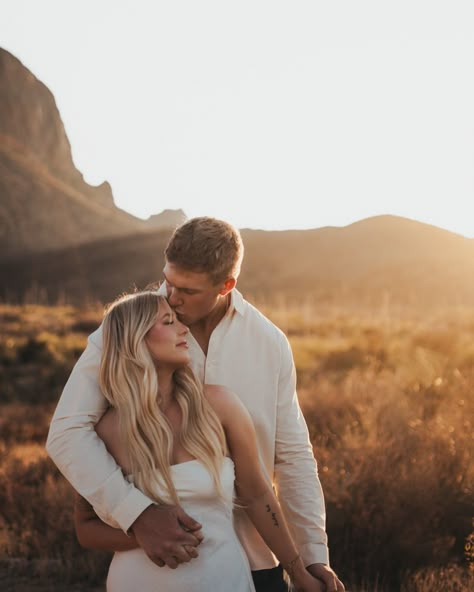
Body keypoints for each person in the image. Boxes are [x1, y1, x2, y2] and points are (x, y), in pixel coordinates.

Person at [46, 217, 344, 592]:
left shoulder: (269, 344)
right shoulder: (129, 328)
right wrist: (138, 517)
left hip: (257, 559)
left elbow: (294, 456)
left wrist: (312, 555)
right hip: (158, 563)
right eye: (167, 282)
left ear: (226, 285)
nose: (171, 297)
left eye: (186, 290)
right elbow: (68, 431)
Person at [73, 290, 324, 591]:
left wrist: (299, 571)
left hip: (224, 579)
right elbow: (85, 529)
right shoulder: (105, 431)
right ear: (136, 340)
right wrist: (142, 533)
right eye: (169, 322)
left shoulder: (219, 406)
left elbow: (258, 497)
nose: (184, 329)